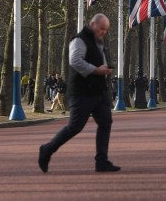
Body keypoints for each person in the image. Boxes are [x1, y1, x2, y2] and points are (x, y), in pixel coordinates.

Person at [39, 13, 120, 173]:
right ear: (92, 24)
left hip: (98, 91)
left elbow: (99, 60)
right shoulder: (79, 40)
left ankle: (101, 161)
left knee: (105, 123)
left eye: (106, 30)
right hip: (81, 92)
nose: (104, 32)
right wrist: (96, 70)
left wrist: (105, 68)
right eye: (102, 28)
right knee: (75, 127)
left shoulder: (99, 42)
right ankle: (47, 149)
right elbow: (75, 61)